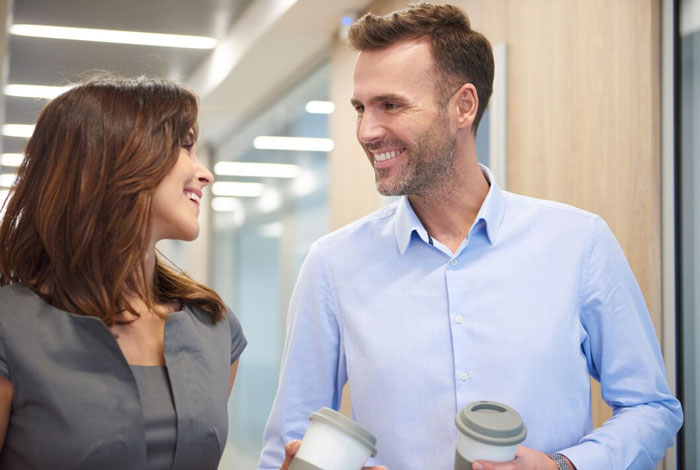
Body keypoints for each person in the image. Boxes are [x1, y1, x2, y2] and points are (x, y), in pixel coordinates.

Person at [259, 3, 683, 470]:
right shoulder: (333, 265)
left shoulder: (579, 244)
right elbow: (290, 443)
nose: (366, 130)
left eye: (391, 105)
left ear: (464, 106)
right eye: (361, 108)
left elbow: (652, 409)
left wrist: (563, 466)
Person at [0, 75, 247, 469]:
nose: (205, 173)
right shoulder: (11, 328)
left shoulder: (213, 327)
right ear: (115, 161)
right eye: (184, 147)